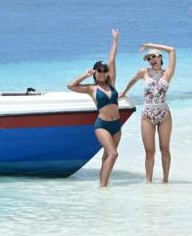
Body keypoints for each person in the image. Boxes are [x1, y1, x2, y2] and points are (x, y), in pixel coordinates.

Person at [68, 29, 122, 187]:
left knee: (107, 156)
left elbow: (112, 59)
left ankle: (103, 184)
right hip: (102, 125)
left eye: (105, 71)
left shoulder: (112, 84)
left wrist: (115, 40)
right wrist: (85, 75)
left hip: (116, 126)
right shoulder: (92, 89)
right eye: (99, 71)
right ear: (95, 73)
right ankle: (103, 187)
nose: (103, 73)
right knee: (114, 154)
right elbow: (71, 86)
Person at [122, 43, 177, 183]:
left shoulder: (168, 73)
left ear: (160, 58)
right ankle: (148, 182)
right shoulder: (143, 72)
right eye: (148, 58)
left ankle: (166, 181)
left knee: (165, 149)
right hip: (147, 114)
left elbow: (172, 50)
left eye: (154, 56)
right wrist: (123, 93)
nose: (151, 59)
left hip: (164, 114)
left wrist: (149, 45)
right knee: (149, 152)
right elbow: (132, 81)